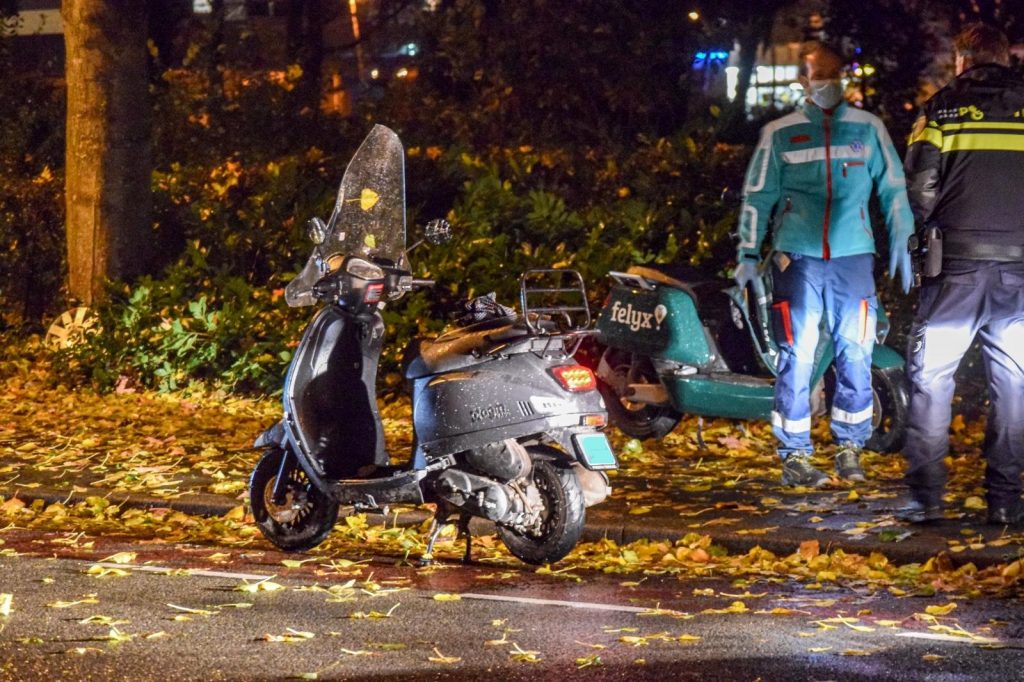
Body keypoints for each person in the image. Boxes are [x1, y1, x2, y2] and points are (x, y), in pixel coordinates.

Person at [734, 42, 915, 488]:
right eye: (819, 76)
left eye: (833, 75)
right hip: (797, 260)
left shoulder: (869, 129)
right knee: (797, 355)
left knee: (857, 350)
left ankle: (850, 447)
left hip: (853, 260)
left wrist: (903, 236)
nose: (827, 84)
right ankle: (794, 454)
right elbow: (757, 198)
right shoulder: (781, 133)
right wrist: (748, 255)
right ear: (803, 81)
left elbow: (893, 189)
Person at [900, 23, 1024, 524]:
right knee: (1014, 384)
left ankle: (926, 500)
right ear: (1005, 57)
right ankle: (1005, 502)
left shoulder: (941, 109)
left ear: (963, 59)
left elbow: (919, 186)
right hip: (1019, 271)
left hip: (955, 268)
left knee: (931, 379)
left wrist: (934, 224)